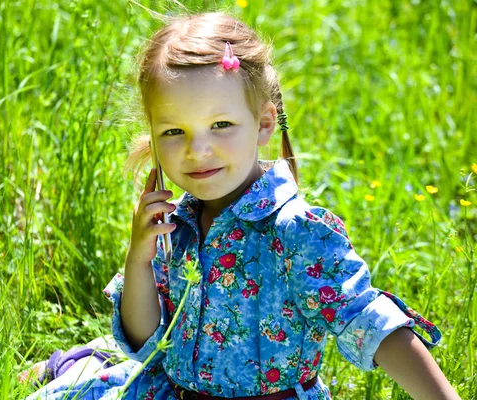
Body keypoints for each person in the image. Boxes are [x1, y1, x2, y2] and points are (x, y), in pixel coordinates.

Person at [25, 11, 460, 400]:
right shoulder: (177, 223)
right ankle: (77, 365)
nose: (197, 150)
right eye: (173, 131)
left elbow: (372, 325)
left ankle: (80, 363)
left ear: (264, 123)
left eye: (221, 125)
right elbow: (145, 339)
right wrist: (139, 257)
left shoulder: (296, 231)